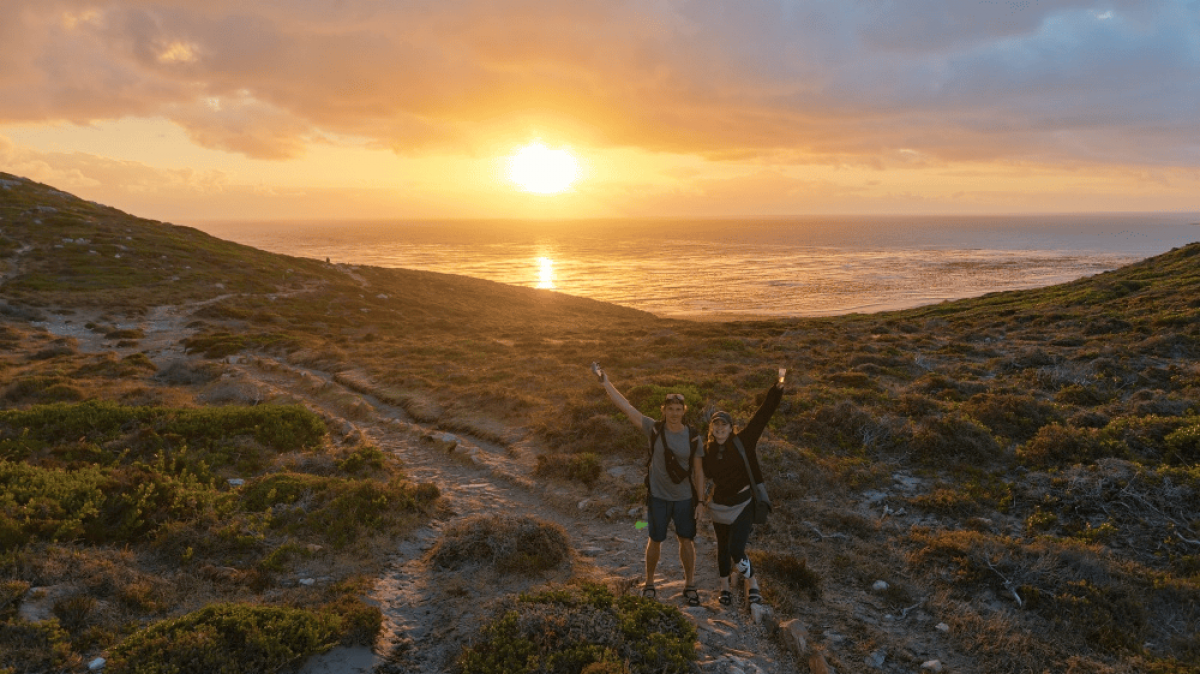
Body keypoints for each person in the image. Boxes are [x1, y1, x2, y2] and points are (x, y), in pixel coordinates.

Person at [594, 363, 706, 606]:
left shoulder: (693, 436)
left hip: (685, 498)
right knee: (655, 539)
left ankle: (690, 584)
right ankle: (650, 582)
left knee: (686, 541)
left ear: (683, 411)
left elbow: (699, 473)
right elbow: (627, 407)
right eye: (670, 409)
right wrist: (606, 384)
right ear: (663, 410)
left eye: (678, 409)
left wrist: (700, 501)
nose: (674, 413)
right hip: (657, 496)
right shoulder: (653, 429)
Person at [701, 378, 784, 606]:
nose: (719, 429)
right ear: (711, 428)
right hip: (719, 506)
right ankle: (725, 587)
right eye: (715, 425)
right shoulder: (706, 449)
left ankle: (753, 582)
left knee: (736, 549)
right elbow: (699, 474)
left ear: (731, 427)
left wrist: (775, 390)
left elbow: (762, 415)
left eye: (724, 425)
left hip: (743, 503)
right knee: (722, 548)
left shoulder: (744, 441)